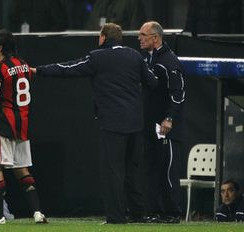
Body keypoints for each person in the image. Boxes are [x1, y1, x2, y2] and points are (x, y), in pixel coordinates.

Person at [31, 23, 158, 224]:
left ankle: (116, 218)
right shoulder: (135, 56)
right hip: (135, 122)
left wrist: (39, 71)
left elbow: (69, 68)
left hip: (113, 124)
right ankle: (138, 214)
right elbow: (152, 81)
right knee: (133, 170)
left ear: (104, 37)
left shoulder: (98, 57)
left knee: (113, 171)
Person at [0, 29, 47, 225]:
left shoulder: (0, 68)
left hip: (2, 125)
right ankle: (38, 213)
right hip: (22, 125)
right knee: (22, 169)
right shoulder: (23, 65)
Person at [138, 21, 186, 223]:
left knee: (168, 169)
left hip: (166, 127)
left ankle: (173, 213)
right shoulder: (147, 60)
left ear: (155, 38)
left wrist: (169, 118)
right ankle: (154, 211)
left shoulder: (169, 61)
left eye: (143, 34)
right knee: (151, 168)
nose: (139, 38)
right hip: (149, 126)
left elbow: (179, 93)